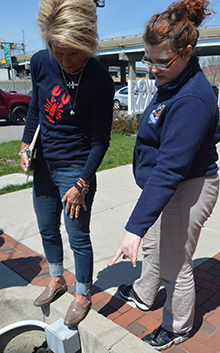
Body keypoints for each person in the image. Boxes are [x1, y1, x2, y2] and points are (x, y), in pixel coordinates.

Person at [109, 0, 220, 350]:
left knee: (175, 262)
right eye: (148, 59)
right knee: (154, 245)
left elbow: (172, 167)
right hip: (168, 183)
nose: (154, 69)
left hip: (190, 186)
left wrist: (132, 228)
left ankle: (177, 328)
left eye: (163, 61)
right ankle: (144, 293)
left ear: (187, 53)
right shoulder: (174, 79)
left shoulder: (192, 98)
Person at [19, 0, 114, 327]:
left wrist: (82, 183)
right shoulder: (40, 62)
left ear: (87, 42)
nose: (64, 60)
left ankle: (83, 292)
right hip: (44, 164)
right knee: (47, 227)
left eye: (73, 53)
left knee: (78, 236)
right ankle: (57, 278)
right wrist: (24, 144)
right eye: (57, 52)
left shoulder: (100, 78)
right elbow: (35, 108)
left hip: (77, 168)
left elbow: (102, 140)